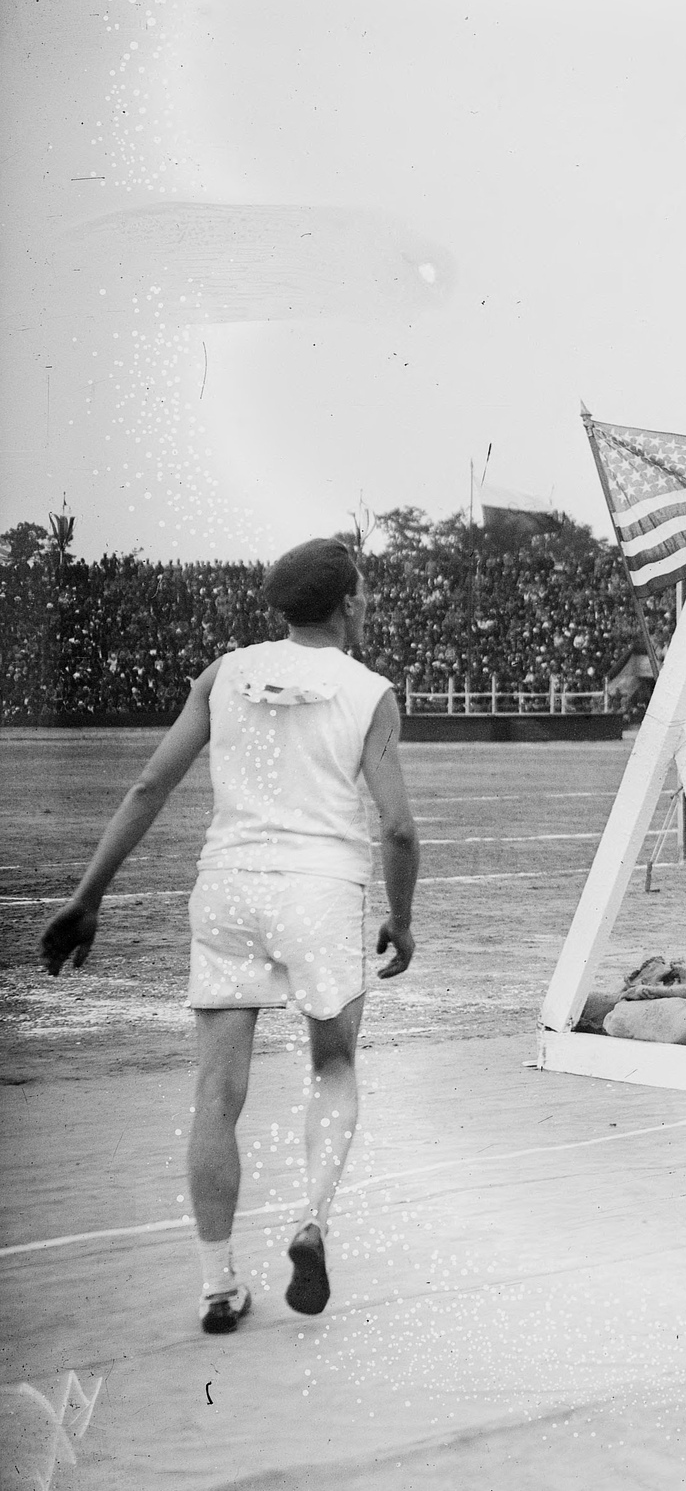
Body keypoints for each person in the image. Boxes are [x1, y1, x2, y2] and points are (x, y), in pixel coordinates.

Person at [38, 538, 418, 1335]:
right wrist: (402, 918)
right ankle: (312, 1219)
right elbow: (400, 828)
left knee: (216, 1096)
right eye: (366, 593)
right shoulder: (370, 690)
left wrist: (87, 897)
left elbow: (150, 784)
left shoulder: (223, 672)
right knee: (336, 1062)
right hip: (318, 891)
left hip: (228, 889)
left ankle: (218, 1286)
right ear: (348, 601)